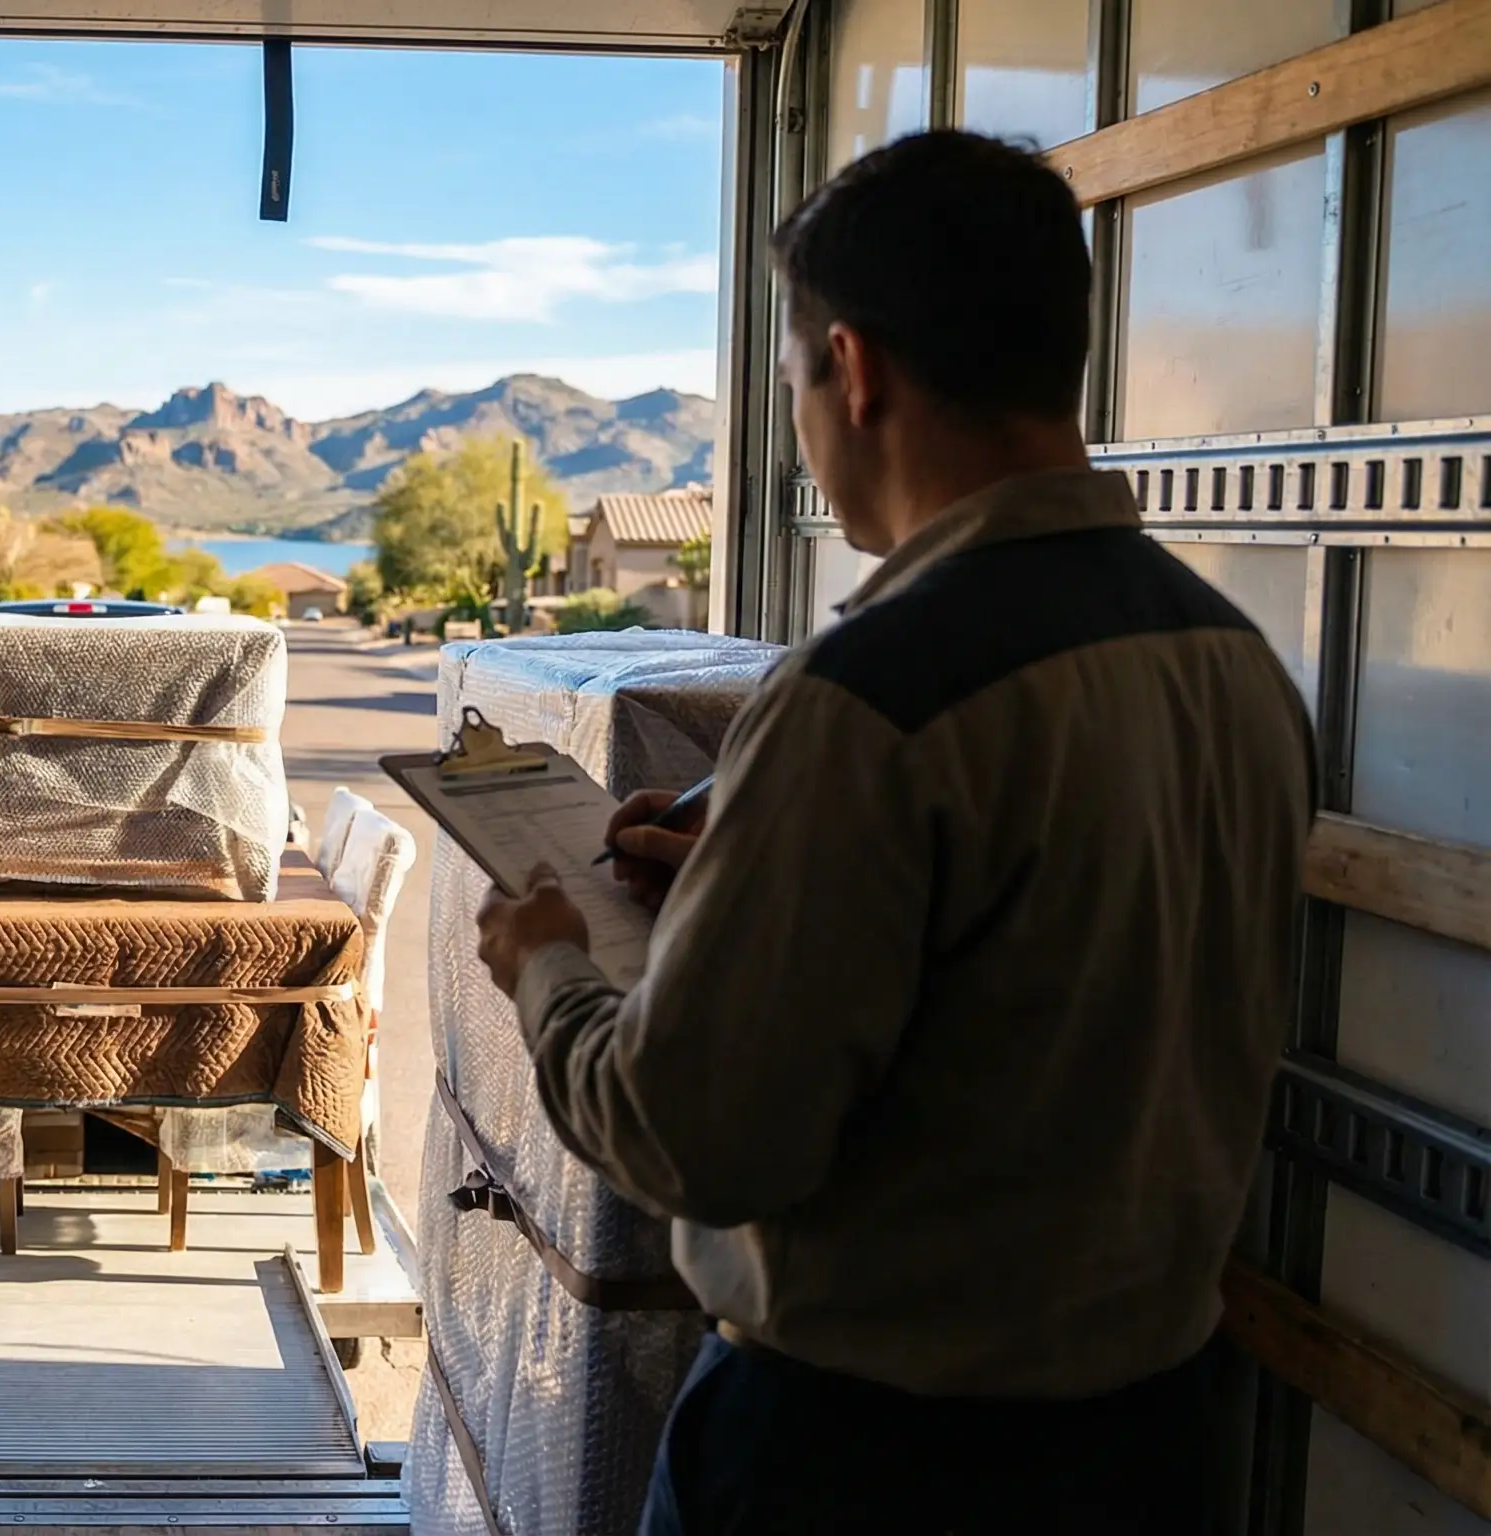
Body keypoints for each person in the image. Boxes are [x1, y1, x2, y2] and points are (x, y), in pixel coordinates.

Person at [473, 130, 1314, 1534]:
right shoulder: (1231, 663)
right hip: (1152, 1449)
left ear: (852, 372)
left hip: (864, 1467)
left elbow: (692, 1140)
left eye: (799, 380)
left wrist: (552, 964)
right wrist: (748, 887)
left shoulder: (867, 701)